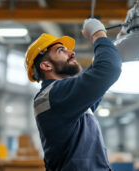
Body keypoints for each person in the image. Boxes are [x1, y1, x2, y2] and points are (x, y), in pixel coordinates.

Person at [24, 18, 122, 171]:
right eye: (61, 50)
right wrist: (98, 34)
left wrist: (117, 45)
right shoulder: (55, 95)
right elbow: (107, 70)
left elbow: (99, 80)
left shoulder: (63, 97)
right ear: (46, 65)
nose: (72, 53)